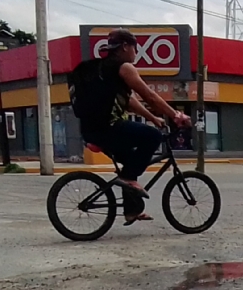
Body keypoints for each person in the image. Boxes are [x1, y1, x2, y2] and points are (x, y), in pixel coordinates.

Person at [69, 29, 192, 225]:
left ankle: (131, 212)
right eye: (135, 47)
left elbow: (130, 102)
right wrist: (176, 115)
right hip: (108, 128)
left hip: (91, 130)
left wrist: (153, 117)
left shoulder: (103, 69)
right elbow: (150, 96)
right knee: (152, 137)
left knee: (131, 166)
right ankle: (127, 181)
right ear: (125, 47)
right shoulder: (124, 68)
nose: (136, 52)